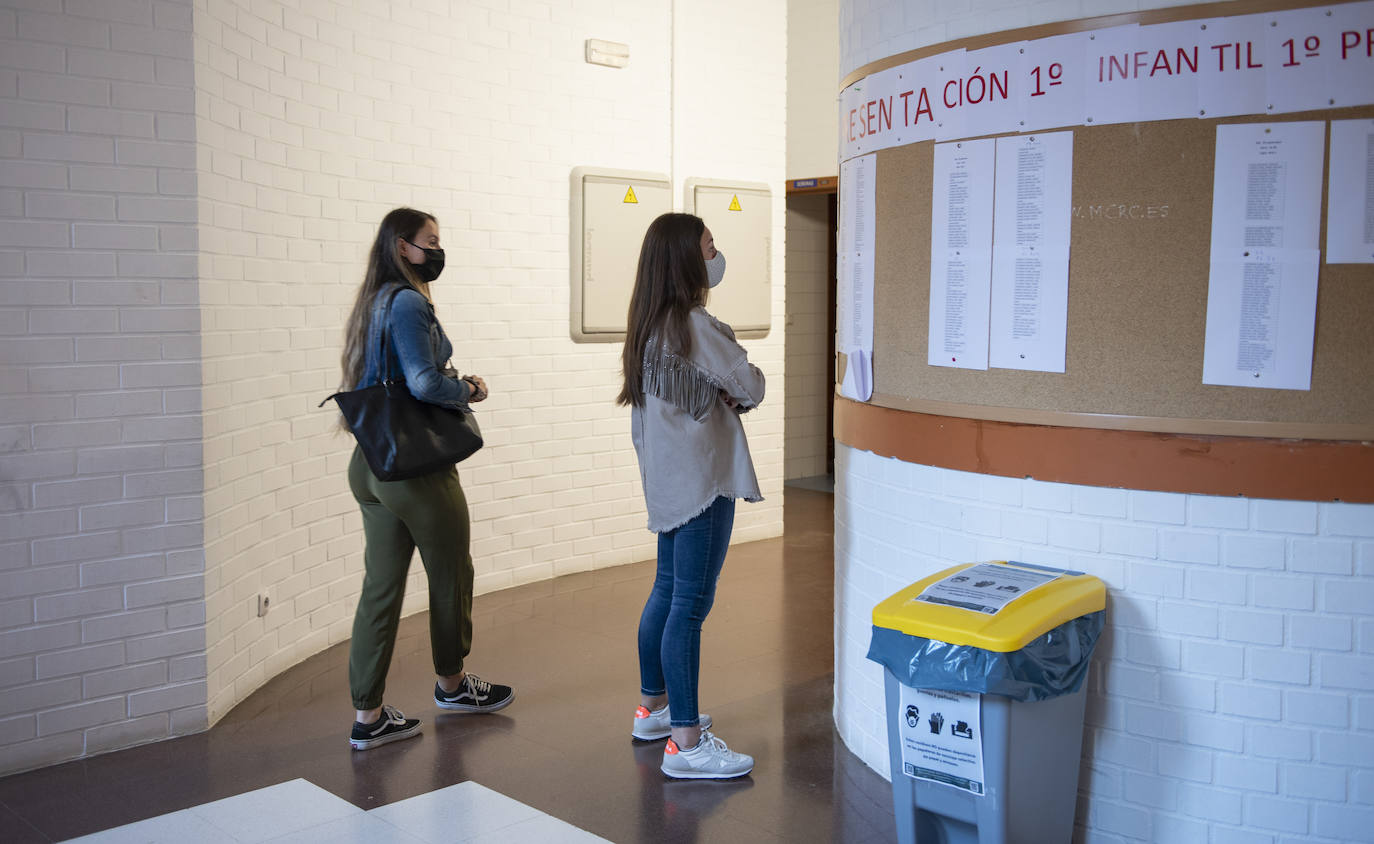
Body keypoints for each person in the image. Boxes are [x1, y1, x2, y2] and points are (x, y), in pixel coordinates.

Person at [337, 207, 514, 751]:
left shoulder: (372, 301)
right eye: (429, 241)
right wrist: (470, 390)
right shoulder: (410, 301)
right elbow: (421, 382)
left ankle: (368, 718)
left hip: (371, 466)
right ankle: (453, 686)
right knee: (452, 573)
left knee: (380, 591)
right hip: (416, 470)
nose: (436, 250)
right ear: (401, 247)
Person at [617, 212, 766, 779]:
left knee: (666, 592)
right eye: (709, 247)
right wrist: (731, 387)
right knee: (690, 608)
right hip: (704, 483)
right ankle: (686, 743)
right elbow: (748, 385)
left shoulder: (648, 328)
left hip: (669, 482)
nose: (716, 255)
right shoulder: (696, 327)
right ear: (685, 259)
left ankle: (652, 710)